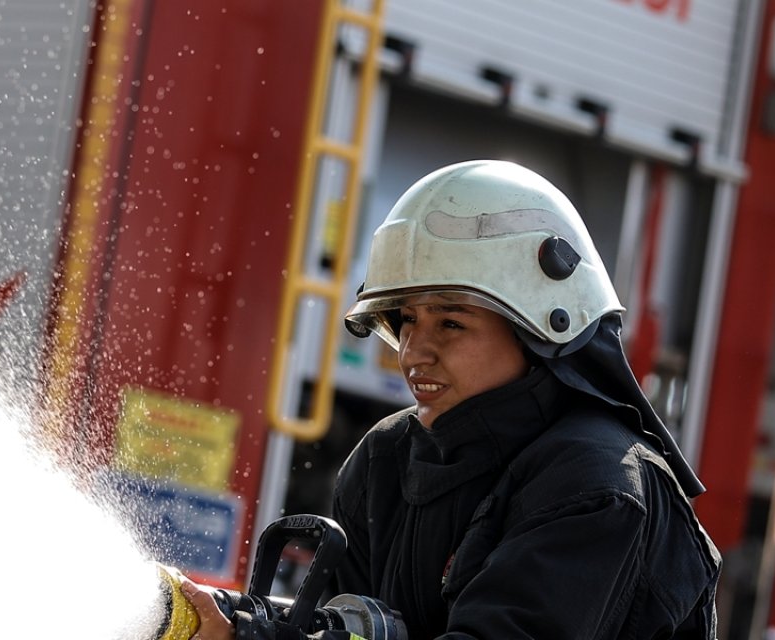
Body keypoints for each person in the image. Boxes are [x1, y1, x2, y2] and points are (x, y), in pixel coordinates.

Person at [180, 159, 721, 639]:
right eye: (408, 319)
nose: (416, 351)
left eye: (451, 322)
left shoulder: (596, 485)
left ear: (540, 328)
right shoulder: (385, 461)